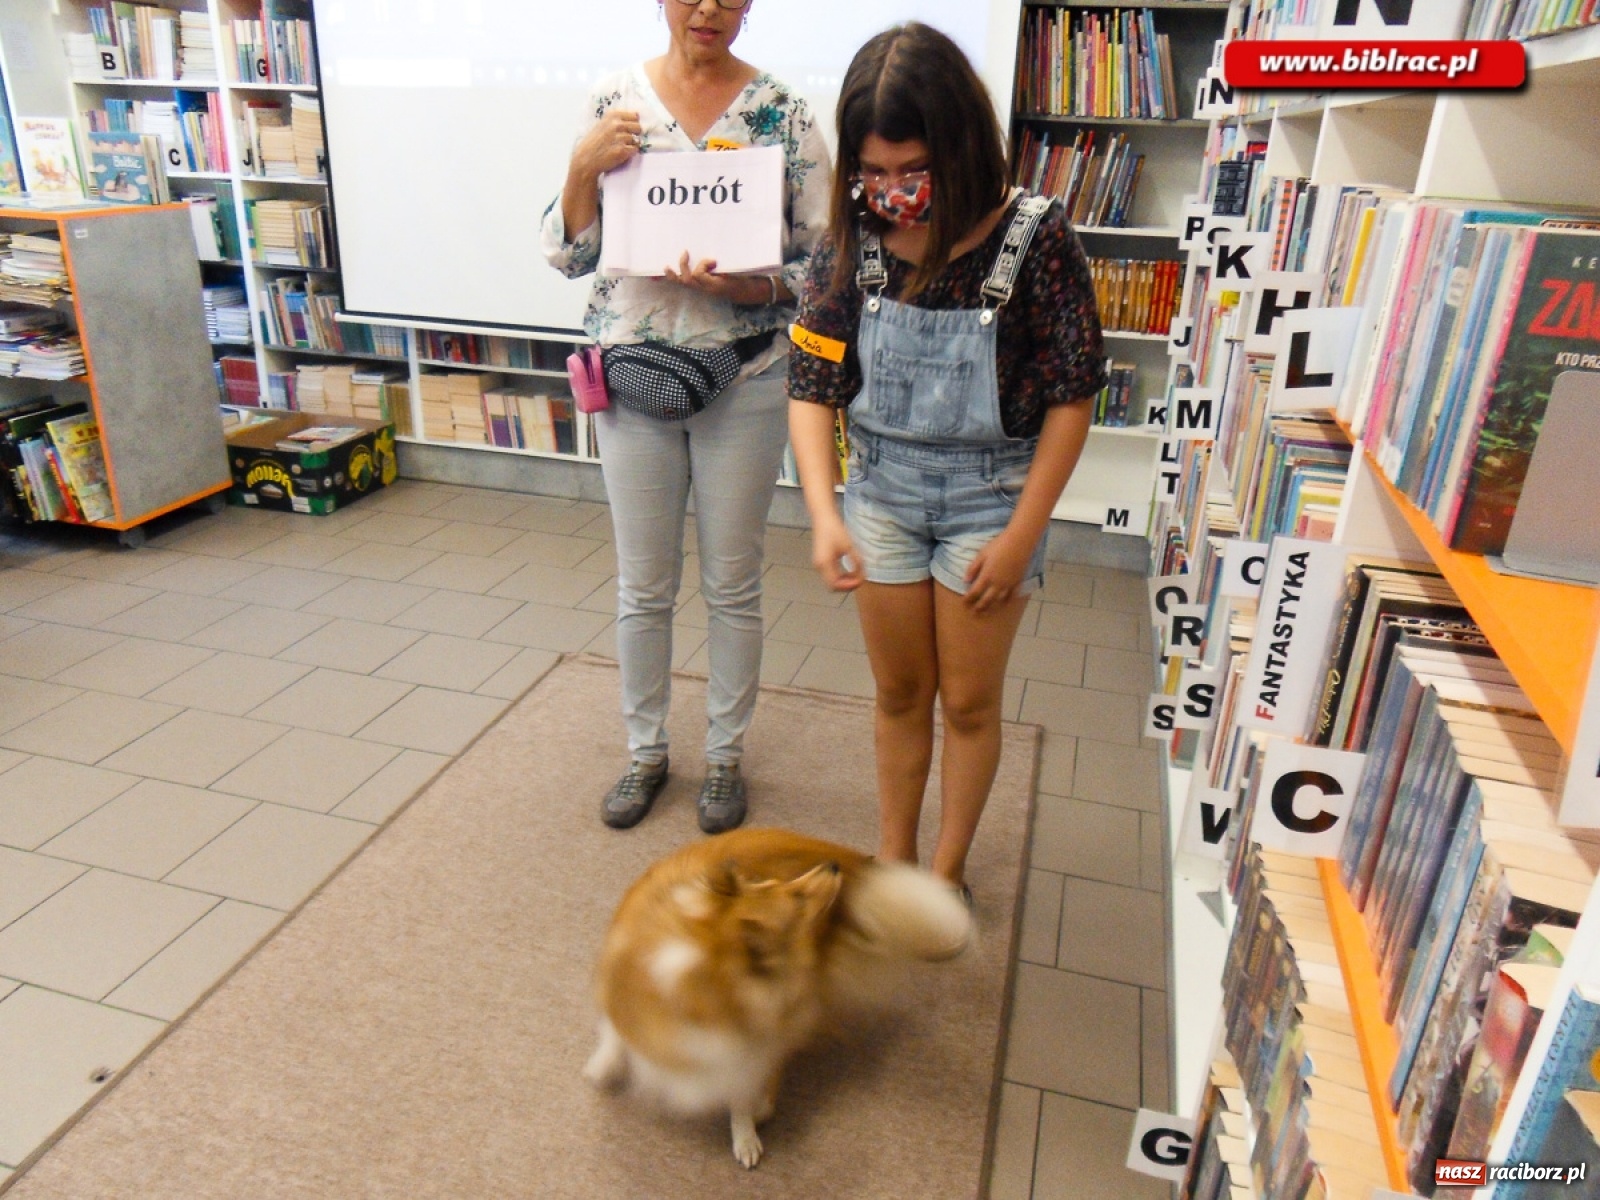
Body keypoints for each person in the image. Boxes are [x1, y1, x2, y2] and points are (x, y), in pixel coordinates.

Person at [787, 23, 1106, 895]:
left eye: (913, 170)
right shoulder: (852, 241)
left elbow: (1074, 396)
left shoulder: (1036, 238)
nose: (891, 192)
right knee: (899, 696)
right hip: (882, 494)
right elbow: (813, 385)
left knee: (967, 702)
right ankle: (894, 863)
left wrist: (1023, 535)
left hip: (992, 500)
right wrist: (824, 514)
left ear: (960, 145)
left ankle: (946, 869)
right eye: (874, 172)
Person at [542, 0, 831, 834]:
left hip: (746, 377)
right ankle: (645, 754)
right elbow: (567, 255)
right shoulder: (614, 106)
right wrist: (577, 172)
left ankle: (726, 759)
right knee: (643, 582)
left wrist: (751, 287)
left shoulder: (784, 113)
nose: (707, 8)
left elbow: (828, 263)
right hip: (631, 378)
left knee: (732, 582)